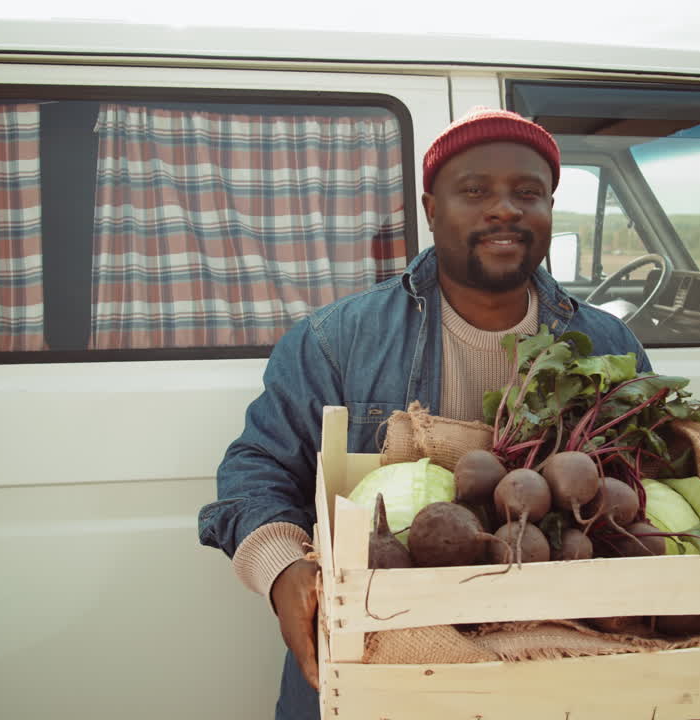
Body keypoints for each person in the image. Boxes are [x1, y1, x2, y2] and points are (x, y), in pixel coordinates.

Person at [197, 107, 651, 720]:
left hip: (559, 658)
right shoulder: (337, 339)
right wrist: (282, 571)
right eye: (474, 191)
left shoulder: (608, 345)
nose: (505, 210)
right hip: (386, 657)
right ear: (431, 209)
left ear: (549, 210)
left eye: (528, 193)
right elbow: (256, 470)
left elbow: (652, 476)